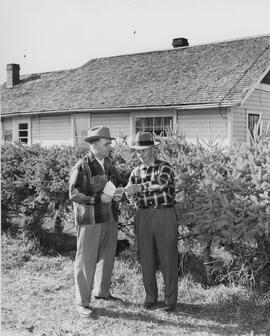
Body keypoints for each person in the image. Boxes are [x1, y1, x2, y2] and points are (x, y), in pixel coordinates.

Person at [69, 126, 124, 317]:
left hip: (109, 218)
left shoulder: (108, 163)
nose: (110, 147)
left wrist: (119, 192)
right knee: (86, 260)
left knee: (107, 256)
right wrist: (98, 199)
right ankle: (82, 302)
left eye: (110, 144)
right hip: (90, 220)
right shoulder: (82, 166)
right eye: (107, 144)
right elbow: (74, 193)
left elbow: (117, 182)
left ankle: (102, 292)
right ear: (94, 145)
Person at [125, 132, 178, 312]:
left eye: (143, 150)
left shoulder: (165, 168)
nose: (140, 154)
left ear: (153, 149)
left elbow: (161, 184)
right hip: (143, 216)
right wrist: (132, 200)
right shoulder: (135, 171)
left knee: (168, 258)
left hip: (164, 215)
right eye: (137, 151)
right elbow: (129, 193)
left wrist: (139, 188)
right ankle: (151, 297)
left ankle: (170, 300)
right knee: (146, 257)